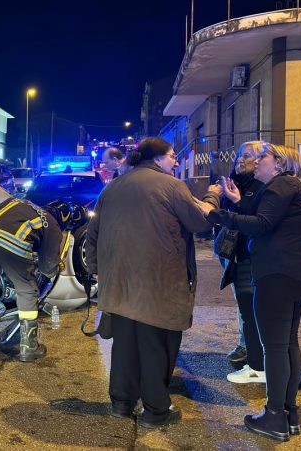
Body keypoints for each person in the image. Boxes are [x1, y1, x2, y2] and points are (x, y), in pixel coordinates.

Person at [86, 137, 221, 428]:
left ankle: (121, 404)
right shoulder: (171, 186)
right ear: (158, 159)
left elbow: (92, 233)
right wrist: (213, 198)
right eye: (172, 156)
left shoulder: (113, 187)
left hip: (118, 282)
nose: (175, 161)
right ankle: (156, 409)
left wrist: (96, 270)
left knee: (124, 345)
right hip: (157, 282)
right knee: (156, 346)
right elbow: (200, 222)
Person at [206, 144, 301, 441]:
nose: (256, 162)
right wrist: (236, 202)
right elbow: (264, 215)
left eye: (263, 157)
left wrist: (218, 214)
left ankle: (274, 417)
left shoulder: (281, 184)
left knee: (275, 347)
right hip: (297, 272)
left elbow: (261, 225)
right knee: (286, 343)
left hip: (278, 275)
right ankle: (288, 414)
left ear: (280, 163)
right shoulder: (286, 187)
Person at [0, 197, 67, 364]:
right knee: (27, 291)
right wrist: (57, 266)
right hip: (11, 246)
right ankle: (29, 347)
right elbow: (48, 267)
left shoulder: (16, 201)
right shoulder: (52, 223)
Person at [218, 141, 267, 378]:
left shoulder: (263, 186)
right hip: (234, 251)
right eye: (239, 155)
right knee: (243, 303)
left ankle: (256, 356)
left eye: (247, 155)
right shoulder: (236, 183)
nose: (240, 159)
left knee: (253, 306)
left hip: (253, 255)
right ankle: (248, 347)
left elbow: (255, 220)